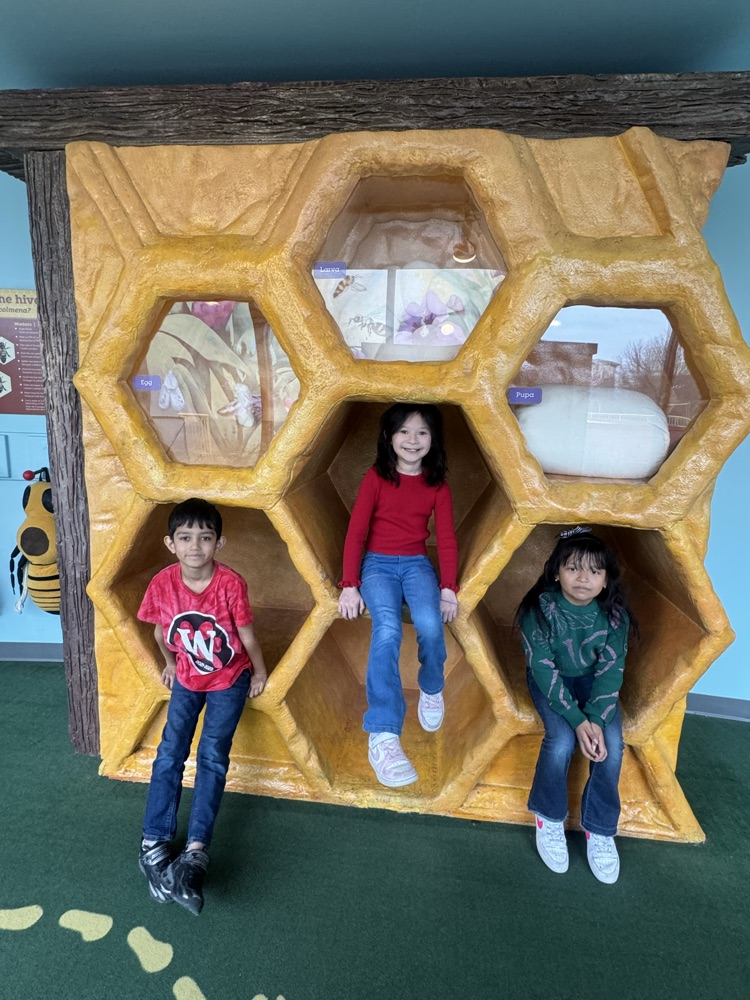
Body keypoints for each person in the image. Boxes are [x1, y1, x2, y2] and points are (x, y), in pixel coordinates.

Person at [136, 498, 268, 915]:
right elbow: (161, 633)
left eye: (205, 538)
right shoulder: (162, 583)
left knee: (212, 756)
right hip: (189, 678)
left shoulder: (231, 584)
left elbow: (246, 637)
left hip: (230, 677)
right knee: (170, 752)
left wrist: (260, 673)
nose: (196, 546)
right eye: (186, 537)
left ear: (219, 542)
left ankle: (195, 851)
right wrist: (170, 664)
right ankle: (154, 841)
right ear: (170, 543)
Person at [338, 403, 459, 787]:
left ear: (433, 440)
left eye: (422, 432)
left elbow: (448, 539)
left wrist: (448, 588)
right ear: (389, 437)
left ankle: (431, 685)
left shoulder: (437, 485)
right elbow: (356, 531)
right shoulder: (376, 478)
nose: (412, 440)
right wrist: (350, 584)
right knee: (387, 628)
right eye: (404, 431)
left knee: (429, 621)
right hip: (376, 565)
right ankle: (383, 733)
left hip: (416, 564)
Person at [514, 526, 637, 884]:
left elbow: (611, 671)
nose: (583, 578)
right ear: (556, 571)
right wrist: (577, 722)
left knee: (612, 745)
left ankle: (599, 828)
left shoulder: (614, 616)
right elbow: (542, 667)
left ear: (605, 580)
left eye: (595, 571)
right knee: (562, 740)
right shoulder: (539, 609)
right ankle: (549, 818)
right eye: (573, 568)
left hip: (593, 684)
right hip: (551, 681)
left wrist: (596, 719)